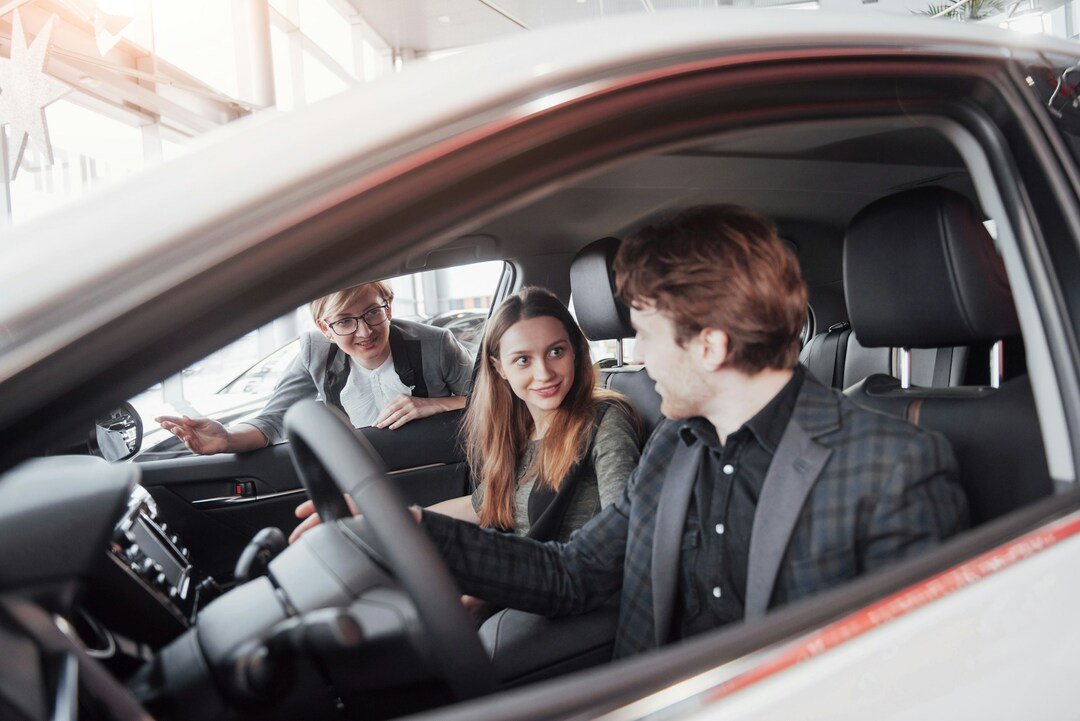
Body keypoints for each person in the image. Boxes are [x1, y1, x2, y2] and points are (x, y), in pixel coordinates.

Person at [416, 204, 970, 659]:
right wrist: (417, 532)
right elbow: (572, 573)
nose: (640, 360)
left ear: (710, 346)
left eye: (646, 336)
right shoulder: (673, 447)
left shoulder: (892, 468)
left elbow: (907, 678)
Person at [289, 286, 642, 545]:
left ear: (576, 353)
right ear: (498, 367)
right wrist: (378, 518)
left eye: (556, 352)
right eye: (523, 359)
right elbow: (483, 507)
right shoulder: (518, 426)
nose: (544, 373)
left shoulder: (603, 419)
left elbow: (621, 539)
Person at [157, 281, 473, 455]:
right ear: (325, 329)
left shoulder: (436, 343)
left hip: (439, 462)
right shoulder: (315, 353)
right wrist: (227, 438)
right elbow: (274, 419)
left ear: (388, 307)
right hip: (365, 470)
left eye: (373, 313)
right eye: (345, 321)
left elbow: (496, 399)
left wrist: (434, 405)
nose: (364, 332)